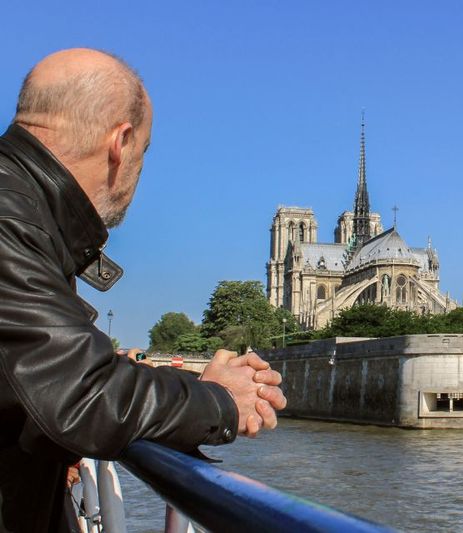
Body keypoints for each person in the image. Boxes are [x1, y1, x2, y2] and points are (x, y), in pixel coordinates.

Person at [0, 48, 287, 532]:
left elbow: (36, 382)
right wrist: (218, 400)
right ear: (122, 142)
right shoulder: (12, 218)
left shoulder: (25, 211)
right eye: (144, 153)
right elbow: (80, 394)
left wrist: (195, 389)